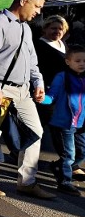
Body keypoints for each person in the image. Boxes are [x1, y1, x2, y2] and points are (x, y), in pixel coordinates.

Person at [0, 0, 55, 199]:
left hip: (23, 91)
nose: (38, 12)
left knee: (35, 133)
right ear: (23, 2)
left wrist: (38, 82)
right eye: (37, 6)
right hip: (0, 90)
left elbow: (32, 62)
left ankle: (26, 182)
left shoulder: (26, 28)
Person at [40, 45, 85, 197]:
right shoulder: (62, 76)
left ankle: (59, 166)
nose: (82, 63)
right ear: (68, 62)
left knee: (82, 151)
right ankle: (65, 181)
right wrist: (41, 98)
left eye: (84, 60)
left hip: (81, 123)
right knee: (69, 154)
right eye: (77, 60)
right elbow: (51, 96)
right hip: (64, 123)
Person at [34, 15, 68, 126]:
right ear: (45, 29)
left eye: (60, 29)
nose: (57, 31)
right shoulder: (39, 45)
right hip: (47, 90)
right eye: (53, 28)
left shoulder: (62, 44)